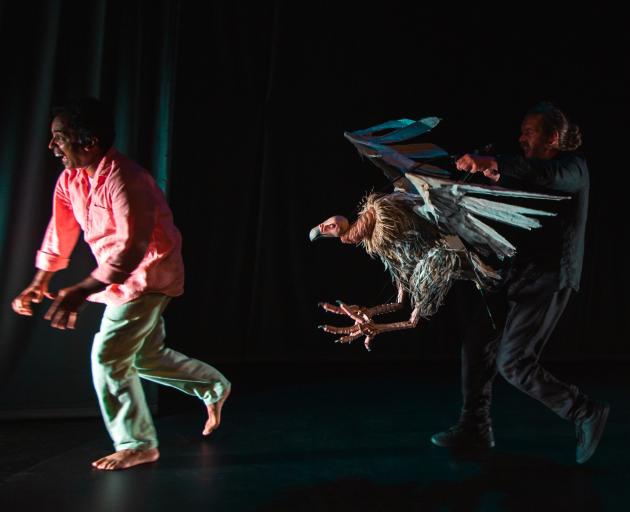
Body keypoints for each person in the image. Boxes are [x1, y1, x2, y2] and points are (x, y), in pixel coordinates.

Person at [11, 97, 231, 471]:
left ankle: (137, 443)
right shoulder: (70, 181)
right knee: (145, 357)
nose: (52, 147)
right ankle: (214, 386)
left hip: (150, 276)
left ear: (89, 141)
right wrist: (39, 280)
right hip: (120, 283)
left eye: (60, 138)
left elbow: (133, 247)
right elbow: (59, 232)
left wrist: (82, 288)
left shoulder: (127, 179)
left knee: (107, 357)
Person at [430, 102, 608, 464]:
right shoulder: (530, 169)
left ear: (553, 137)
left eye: (529, 131)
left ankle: (584, 411)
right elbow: (520, 184)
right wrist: (491, 173)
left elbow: (545, 176)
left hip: (550, 277)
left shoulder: (573, 168)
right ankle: (475, 427)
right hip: (517, 272)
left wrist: (496, 164)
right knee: (477, 342)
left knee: (514, 362)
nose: (521, 137)